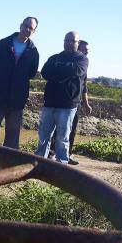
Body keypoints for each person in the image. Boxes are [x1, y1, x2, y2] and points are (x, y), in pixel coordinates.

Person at [0, 17, 40, 151]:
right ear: (20, 25)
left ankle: (8, 163)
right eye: (26, 26)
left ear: (34, 31)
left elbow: (31, 73)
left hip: (17, 99)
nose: (27, 29)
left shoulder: (33, 52)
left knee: (13, 133)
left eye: (31, 28)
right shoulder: (3, 44)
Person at [34, 31, 88, 163]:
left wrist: (58, 69)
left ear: (78, 43)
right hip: (50, 103)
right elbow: (45, 73)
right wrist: (65, 70)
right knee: (44, 135)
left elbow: (77, 71)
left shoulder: (82, 59)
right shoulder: (54, 57)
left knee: (63, 137)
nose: (69, 43)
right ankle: (40, 161)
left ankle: (62, 163)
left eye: (72, 41)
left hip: (68, 105)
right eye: (66, 40)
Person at [66, 39, 93, 165]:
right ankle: (51, 153)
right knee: (58, 129)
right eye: (84, 50)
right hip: (65, 101)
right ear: (78, 48)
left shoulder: (84, 64)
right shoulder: (69, 61)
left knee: (72, 129)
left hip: (75, 103)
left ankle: (67, 154)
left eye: (88, 51)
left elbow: (84, 87)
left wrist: (86, 104)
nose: (87, 53)